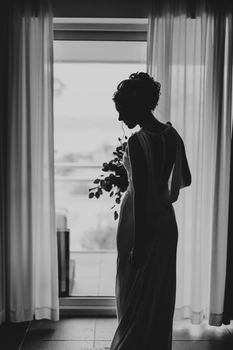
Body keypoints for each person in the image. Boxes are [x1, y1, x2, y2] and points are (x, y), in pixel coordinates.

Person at [110, 72, 191, 350]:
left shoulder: (137, 141)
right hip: (166, 223)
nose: (121, 118)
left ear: (135, 107)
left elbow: (142, 198)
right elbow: (185, 178)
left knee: (134, 293)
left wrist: (140, 245)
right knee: (158, 294)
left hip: (139, 224)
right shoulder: (172, 134)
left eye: (122, 110)